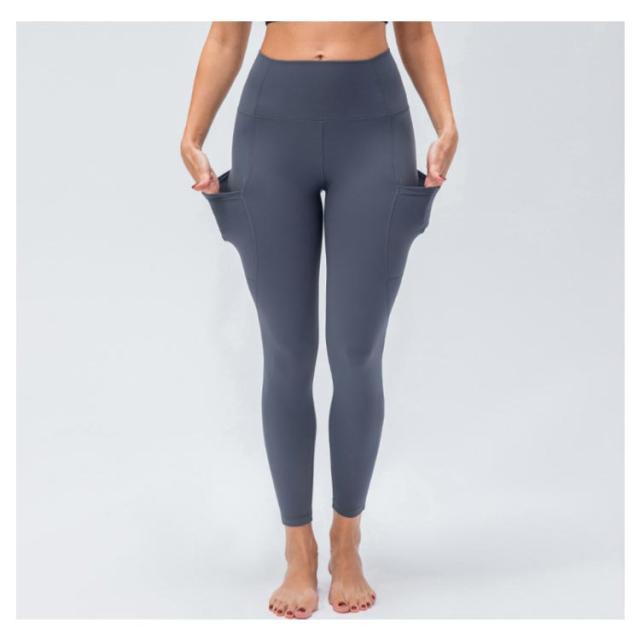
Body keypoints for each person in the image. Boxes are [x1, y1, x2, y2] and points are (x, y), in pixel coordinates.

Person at [180, 20, 458, 619]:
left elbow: (415, 32)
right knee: (286, 353)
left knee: (357, 352)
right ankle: (297, 545)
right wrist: (192, 132)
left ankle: (347, 537)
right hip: (272, 126)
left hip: (374, 123)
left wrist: (446, 124)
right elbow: (227, 36)